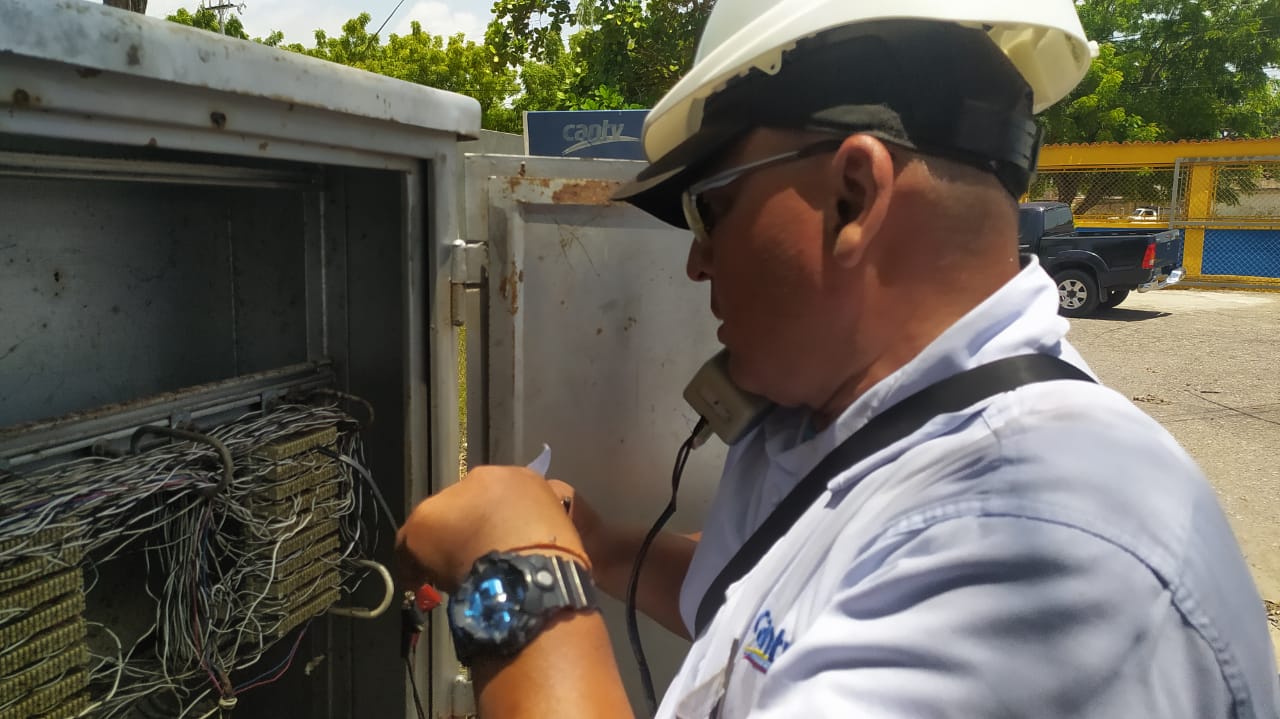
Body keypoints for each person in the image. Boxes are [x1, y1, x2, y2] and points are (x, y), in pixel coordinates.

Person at [395, 2, 1280, 717]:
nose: (697, 261)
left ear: (853, 195)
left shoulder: (1052, 555)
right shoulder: (848, 428)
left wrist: (518, 575)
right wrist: (599, 546)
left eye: (709, 209)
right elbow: (770, 611)